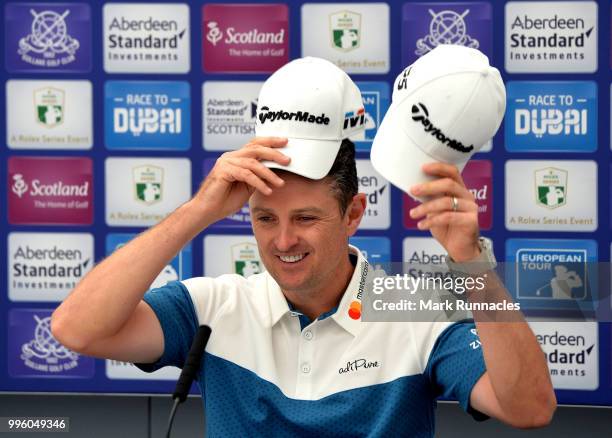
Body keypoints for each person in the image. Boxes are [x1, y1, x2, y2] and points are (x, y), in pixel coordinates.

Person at [51, 57, 556, 437]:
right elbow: (76, 329)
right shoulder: (215, 306)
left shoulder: (413, 312)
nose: (283, 240)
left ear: (354, 214)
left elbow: (528, 408)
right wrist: (198, 210)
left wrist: (472, 265)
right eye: (264, 218)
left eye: (306, 218)